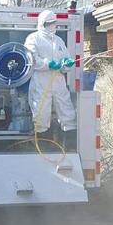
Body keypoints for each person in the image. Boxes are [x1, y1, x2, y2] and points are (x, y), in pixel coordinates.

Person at [24, 10, 76, 139]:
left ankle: (70, 142)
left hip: (58, 81)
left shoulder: (58, 40)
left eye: (53, 22)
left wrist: (66, 64)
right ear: (42, 23)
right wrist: (48, 64)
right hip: (41, 81)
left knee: (66, 109)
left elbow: (65, 57)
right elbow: (31, 59)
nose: (52, 25)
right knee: (41, 112)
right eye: (49, 23)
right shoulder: (33, 38)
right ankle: (43, 142)